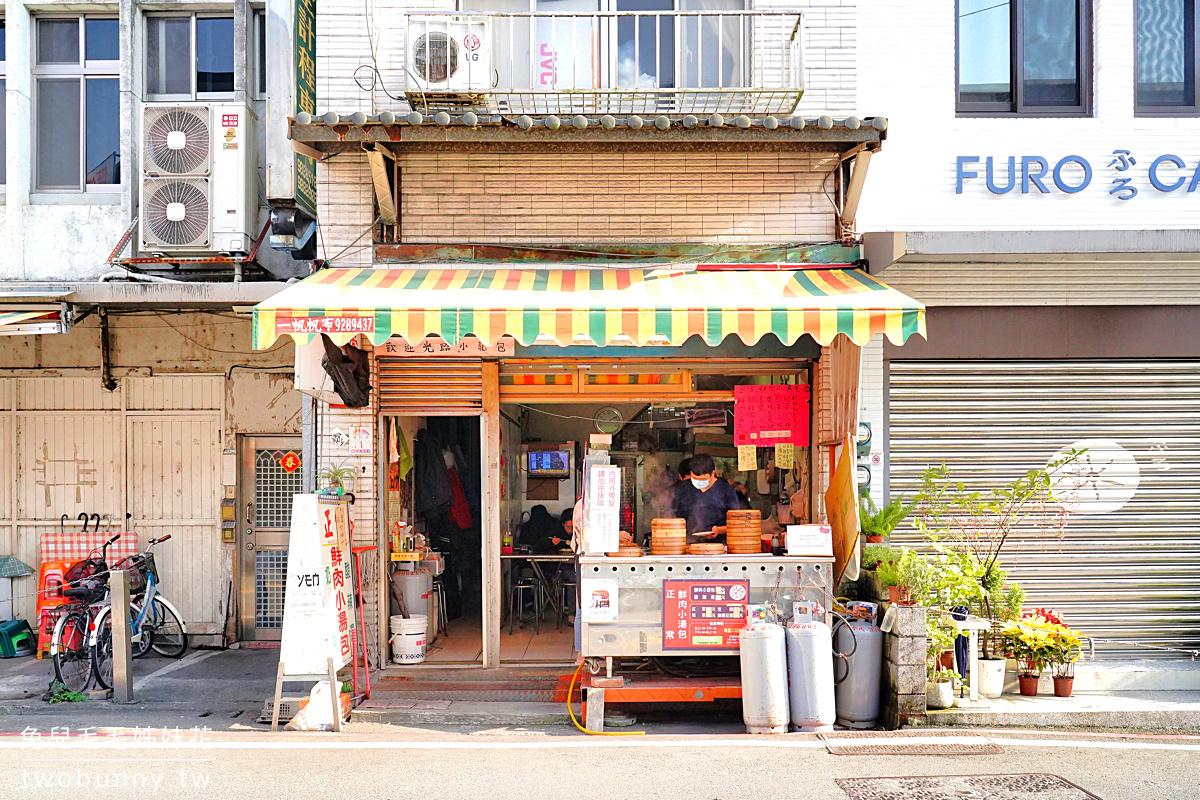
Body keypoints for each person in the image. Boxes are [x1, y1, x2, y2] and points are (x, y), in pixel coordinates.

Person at [672, 453, 741, 542]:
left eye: (702, 479)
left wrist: (719, 530)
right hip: (688, 545)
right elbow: (671, 514)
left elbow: (736, 523)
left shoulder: (726, 490)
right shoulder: (682, 488)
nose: (698, 482)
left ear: (712, 473)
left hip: (718, 546)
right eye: (694, 478)